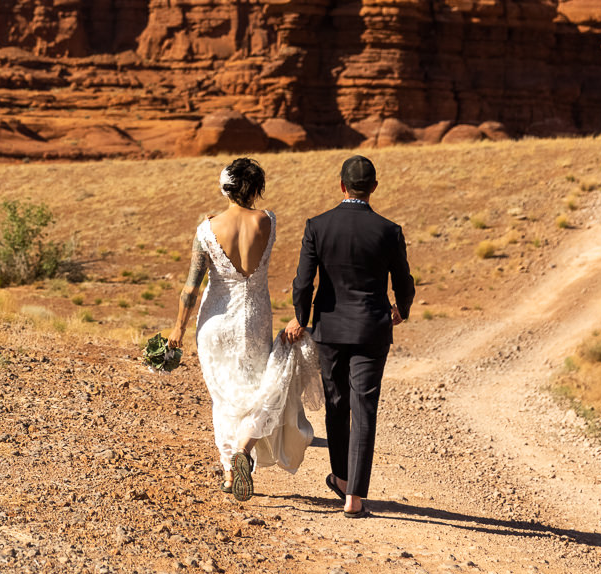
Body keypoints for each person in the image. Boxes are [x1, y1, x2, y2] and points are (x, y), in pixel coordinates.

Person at [165, 156, 320, 502]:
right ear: (256, 188)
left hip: (214, 323)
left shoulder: (206, 229)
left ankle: (227, 468)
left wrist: (177, 330)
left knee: (223, 397)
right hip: (254, 318)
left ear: (225, 188)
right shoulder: (268, 221)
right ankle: (243, 451)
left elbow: (191, 288)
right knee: (262, 388)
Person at [285, 153, 415, 518]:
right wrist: (401, 309)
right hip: (373, 328)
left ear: (341, 185)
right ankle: (353, 498)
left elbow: (302, 282)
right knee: (365, 409)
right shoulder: (389, 231)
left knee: (337, 405)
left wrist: (303, 318)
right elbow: (404, 281)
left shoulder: (318, 225)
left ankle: (341, 478)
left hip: (330, 329)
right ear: (374, 187)